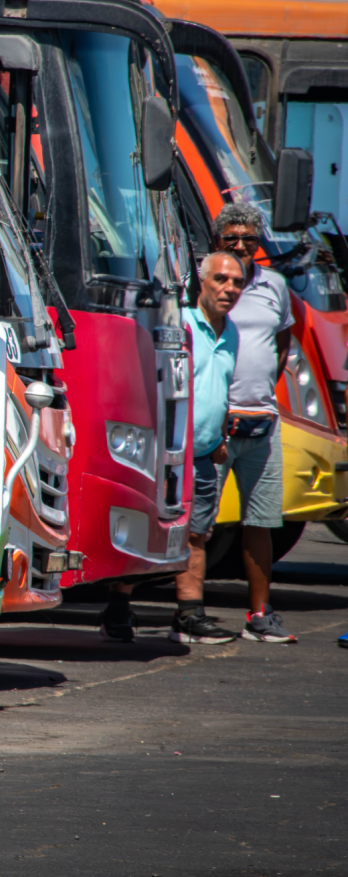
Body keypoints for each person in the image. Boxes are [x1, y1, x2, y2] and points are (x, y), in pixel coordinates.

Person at [212, 202, 297, 643]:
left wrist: (260, 389)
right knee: (195, 523)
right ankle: (188, 613)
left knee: (261, 522)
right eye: (232, 237)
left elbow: (281, 343)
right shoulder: (206, 281)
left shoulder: (275, 286)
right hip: (214, 423)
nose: (241, 245)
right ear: (218, 241)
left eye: (248, 237)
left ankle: (259, 614)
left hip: (263, 421)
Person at [168, 251, 245, 643]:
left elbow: (221, 389)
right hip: (167, 453)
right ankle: (118, 607)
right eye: (221, 280)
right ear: (202, 281)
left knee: (198, 534)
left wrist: (221, 438)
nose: (229, 289)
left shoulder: (231, 332)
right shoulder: (179, 323)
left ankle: (188, 614)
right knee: (153, 530)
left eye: (236, 283)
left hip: (204, 453)